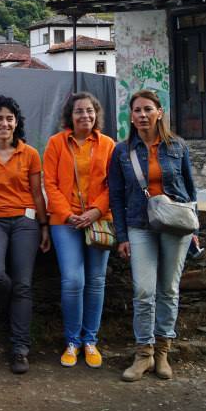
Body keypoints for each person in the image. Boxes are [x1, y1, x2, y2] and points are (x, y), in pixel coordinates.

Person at [109, 89, 197, 382]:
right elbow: (116, 196)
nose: (142, 115)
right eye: (137, 110)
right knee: (144, 291)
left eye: (148, 109)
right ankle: (143, 354)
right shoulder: (123, 152)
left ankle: (163, 352)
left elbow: (190, 191)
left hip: (175, 226)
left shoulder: (178, 146)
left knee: (169, 289)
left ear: (160, 112)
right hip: (139, 226)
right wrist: (121, 235)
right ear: (131, 117)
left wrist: (195, 229)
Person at [0, 95, 50, 375]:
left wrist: (44, 226)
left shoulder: (29, 154)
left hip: (25, 221)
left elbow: (38, 194)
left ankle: (20, 349)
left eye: (9, 118)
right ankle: (17, 301)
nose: (4, 123)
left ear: (16, 123)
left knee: (25, 283)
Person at [43, 92, 116, 369]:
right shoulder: (56, 144)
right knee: (73, 281)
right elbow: (49, 184)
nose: (84, 116)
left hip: (98, 219)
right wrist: (69, 214)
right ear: (69, 117)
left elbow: (114, 184)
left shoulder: (108, 145)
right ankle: (72, 341)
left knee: (96, 281)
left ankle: (90, 341)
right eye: (78, 112)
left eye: (89, 111)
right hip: (66, 221)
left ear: (96, 114)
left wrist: (95, 211)